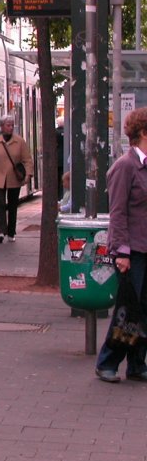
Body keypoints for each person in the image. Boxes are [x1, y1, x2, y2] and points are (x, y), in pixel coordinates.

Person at [95, 107, 147, 383]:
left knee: (144, 309)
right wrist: (122, 252)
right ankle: (108, 360)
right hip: (133, 251)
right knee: (128, 308)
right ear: (142, 133)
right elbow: (118, 212)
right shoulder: (125, 166)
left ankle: (138, 363)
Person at [0, 115, 33, 243]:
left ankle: (11, 232)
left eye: (12, 125)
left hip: (14, 179)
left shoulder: (19, 142)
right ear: (2, 127)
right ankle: (0, 231)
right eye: (8, 125)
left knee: (12, 206)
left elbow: (27, 160)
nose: (11, 128)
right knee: (0, 205)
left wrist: (28, 174)